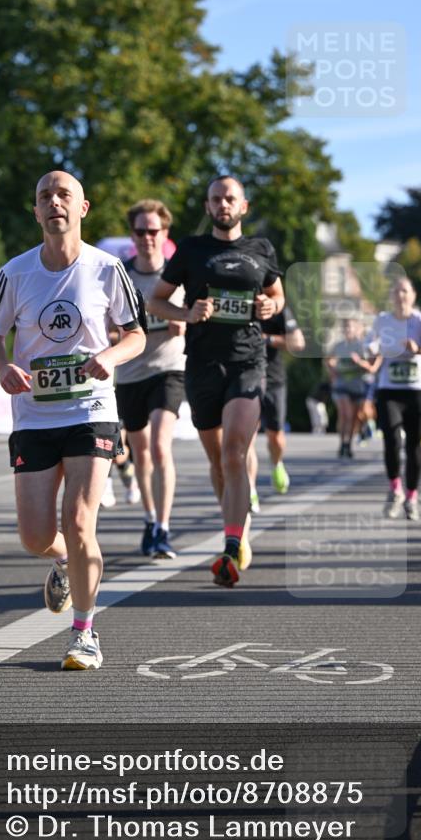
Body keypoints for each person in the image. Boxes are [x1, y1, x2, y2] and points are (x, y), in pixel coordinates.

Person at [0, 170, 145, 670]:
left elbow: (136, 335)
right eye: (44, 196)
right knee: (34, 535)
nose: (54, 202)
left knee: (78, 520)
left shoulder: (107, 269)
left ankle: (85, 633)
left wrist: (111, 358)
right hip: (33, 414)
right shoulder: (15, 273)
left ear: (83, 207)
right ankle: (64, 560)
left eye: (63, 194)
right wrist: (1, 364)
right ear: (35, 211)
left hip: (91, 410)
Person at [149, 175, 284, 587]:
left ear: (243, 206)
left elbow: (279, 296)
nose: (223, 205)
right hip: (203, 364)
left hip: (248, 360)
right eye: (216, 199)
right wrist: (186, 315)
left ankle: (231, 545)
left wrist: (269, 305)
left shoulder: (260, 249)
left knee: (234, 451)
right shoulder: (191, 250)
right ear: (208, 208)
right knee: (218, 461)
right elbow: (155, 300)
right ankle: (234, 523)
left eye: (230, 198)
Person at [115, 199, 186, 558]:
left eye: (153, 231)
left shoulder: (177, 275)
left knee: (160, 447)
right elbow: (107, 329)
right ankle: (149, 517)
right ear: (133, 234)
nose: (146, 238)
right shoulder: (120, 276)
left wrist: (183, 321)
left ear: (164, 233)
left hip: (168, 370)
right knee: (140, 455)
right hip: (129, 373)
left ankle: (164, 528)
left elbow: (194, 318)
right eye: (140, 231)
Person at [367, 277, 421, 521]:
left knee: (414, 447)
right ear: (392, 296)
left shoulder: (420, 321)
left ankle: (412, 495)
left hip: (415, 391)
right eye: (397, 291)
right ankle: (395, 489)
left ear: (413, 296)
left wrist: (420, 350)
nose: (401, 296)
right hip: (389, 389)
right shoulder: (383, 320)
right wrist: (371, 348)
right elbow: (369, 341)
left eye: (405, 291)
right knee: (391, 438)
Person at [247, 305, 306, 508]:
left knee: (276, 437)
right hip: (246, 378)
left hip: (274, 380)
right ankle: (250, 491)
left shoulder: (278, 308)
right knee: (246, 439)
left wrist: (266, 339)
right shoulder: (238, 300)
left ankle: (277, 464)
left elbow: (298, 343)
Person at [326, 317, 376, 458]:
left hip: (358, 386)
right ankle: (343, 443)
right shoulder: (339, 346)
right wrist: (332, 369)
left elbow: (370, 368)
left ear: (357, 329)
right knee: (345, 414)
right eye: (345, 327)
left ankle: (348, 443)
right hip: (341, 385)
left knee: (354, 417)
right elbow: (328, 360)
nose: (347, 330)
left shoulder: (362, 346)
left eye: (350, 327)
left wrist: (359, 362)